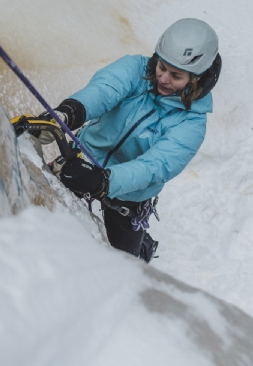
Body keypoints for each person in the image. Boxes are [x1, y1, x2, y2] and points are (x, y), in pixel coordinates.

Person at [34, 18, 221, 260]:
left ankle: (142, 246)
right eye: (162, 67)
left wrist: (105, 182)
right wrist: (69, 113)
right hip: (84, 159)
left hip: (129, 193)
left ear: (197, 78)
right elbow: (103, 90)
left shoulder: (192, 124)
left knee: (125, 263)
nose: (163, 78)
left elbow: (156, 166)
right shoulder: (136, 69)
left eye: (176, 75)